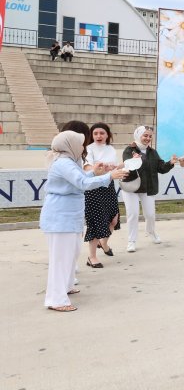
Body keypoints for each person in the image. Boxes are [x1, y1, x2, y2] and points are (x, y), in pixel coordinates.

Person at [41, 131, 126, 311]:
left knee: (70, 254)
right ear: (70, 145)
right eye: (80, 144)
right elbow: (82, 183)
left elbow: (79, 180)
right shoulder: (64, 163)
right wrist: (110, 176)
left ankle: (66, 286)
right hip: (60, 217)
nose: (83, 147)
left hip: (68, 216)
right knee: (61, 258)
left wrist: (94, 172)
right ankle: (56, 300)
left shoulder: (69, 161)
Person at [122, 125, 177, 252]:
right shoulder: (129, 150)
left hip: (148, 187)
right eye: (145, 135)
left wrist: (170, 163)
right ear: (138, 135)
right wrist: (134, 160)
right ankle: (131, 240)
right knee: (133, 214)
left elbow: (161, 168)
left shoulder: (153, 152)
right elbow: (128, 165)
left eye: (150, 136)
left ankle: (151, 232)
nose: (148, 138)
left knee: (150, 214)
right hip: (131, 186)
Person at [82, 123, 121, 268]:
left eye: (102, 133)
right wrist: (101, 168)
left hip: (109, 186)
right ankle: (91, 257)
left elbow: (115, 167)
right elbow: (87, 168)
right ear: (91, 135)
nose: (99, 136)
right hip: (94, 187)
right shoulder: (88, 149)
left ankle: (103, 242)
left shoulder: (111, 149)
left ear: (107, 135)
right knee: (96, 222)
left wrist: (129, 163)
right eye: (96, 133)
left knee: (114, 219)